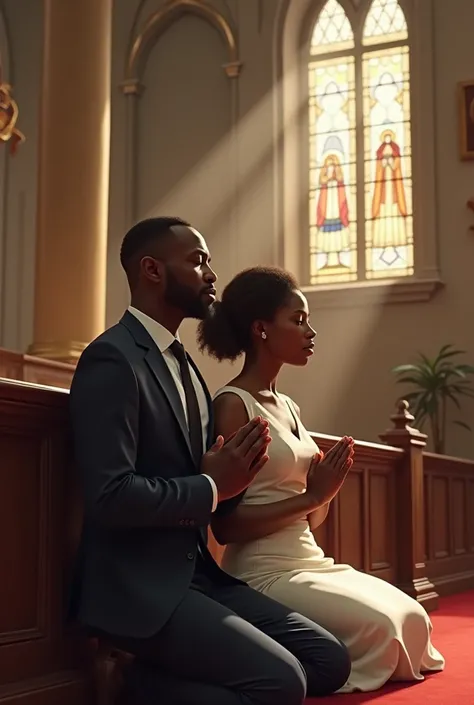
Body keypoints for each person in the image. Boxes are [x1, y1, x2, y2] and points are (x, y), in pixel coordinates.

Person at [69, 217, 351, 705]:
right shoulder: (112, 358)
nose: (211, 274)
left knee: (329, 661)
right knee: (282, 684)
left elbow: (216, 494)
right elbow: (109, 496)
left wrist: (256, 485)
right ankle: (129, 683)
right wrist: (213, 485)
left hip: (196, 574)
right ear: (152, 270)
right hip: (137, 587)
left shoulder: (186, 367)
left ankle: (140, 676)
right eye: (198, 261)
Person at [198, 266, 446, 693]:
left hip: (309, 559)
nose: (310, 331)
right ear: (261, 329)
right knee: (384, 628)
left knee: (413, 617)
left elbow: (311, 517)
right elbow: (224, 525)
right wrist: (313, 494)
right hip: (263, 572)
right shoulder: (233, 404)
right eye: (298, 320)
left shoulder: (289, 406)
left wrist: (321, 494)